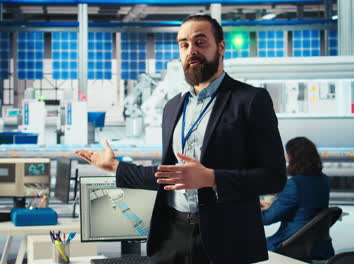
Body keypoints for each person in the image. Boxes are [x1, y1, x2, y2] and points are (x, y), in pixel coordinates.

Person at [75, 14, 286, 264]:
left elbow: (274, 177)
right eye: (184, 44)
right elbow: (169, 174)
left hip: (225, 237)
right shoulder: (173, 107)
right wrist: (114, 167)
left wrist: (212, 178)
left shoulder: (250, 100)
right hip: (172, 233)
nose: (191, 50)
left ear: (221, 47)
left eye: (200, 42)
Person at [261, 137, 334, 260]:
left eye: (287, 153)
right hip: (317, 244)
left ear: (294, 157)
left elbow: (267, 219)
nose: (286, 157)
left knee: (246, 247)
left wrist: (247, 209)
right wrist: (273, 206)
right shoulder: (323, 180)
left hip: (291, 243)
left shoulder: (295, 184)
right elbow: (306, 207)